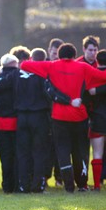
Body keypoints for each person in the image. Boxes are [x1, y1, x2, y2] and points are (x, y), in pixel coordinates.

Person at [20, 43, 106, 193]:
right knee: (80, 151)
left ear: (59, 53)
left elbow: (25, 65)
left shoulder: (51, 66)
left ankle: (68, 186)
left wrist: (36, 62)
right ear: (74, 54)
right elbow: (105, 76)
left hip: (59, 116)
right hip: (79, 116)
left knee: (62, 150)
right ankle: (82, 184)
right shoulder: (82, 67)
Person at [15, 48, 51, 193]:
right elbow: (48, 94)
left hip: (22, 116)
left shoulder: (17, 74)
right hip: (39, 115)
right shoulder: (43, 74)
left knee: (23, 152)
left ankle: (23, 185)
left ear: (30, 58)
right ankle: (37, 185)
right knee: (38, 152)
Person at [87, 49, 106, 192]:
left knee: (97, 153)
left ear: (97, 60)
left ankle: (97, 186)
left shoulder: (92, 76)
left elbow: (88, 96)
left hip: (96, 119)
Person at [0, 53, 19, 193]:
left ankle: (7, 185)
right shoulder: (17, 76)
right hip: (16, 120)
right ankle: (17, 183)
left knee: (5, 155)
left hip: (1, 121)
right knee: (18, 154)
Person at [45, 38, 64, 187]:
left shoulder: (65, 68)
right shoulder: (43, 66)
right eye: (53, 52)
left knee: (60, 145)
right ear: (49, 51)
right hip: (45, 112)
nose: (55, 55)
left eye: (58, 53)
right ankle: (45, 176)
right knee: (45, 146)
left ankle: (59, 177)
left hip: (60, 112)